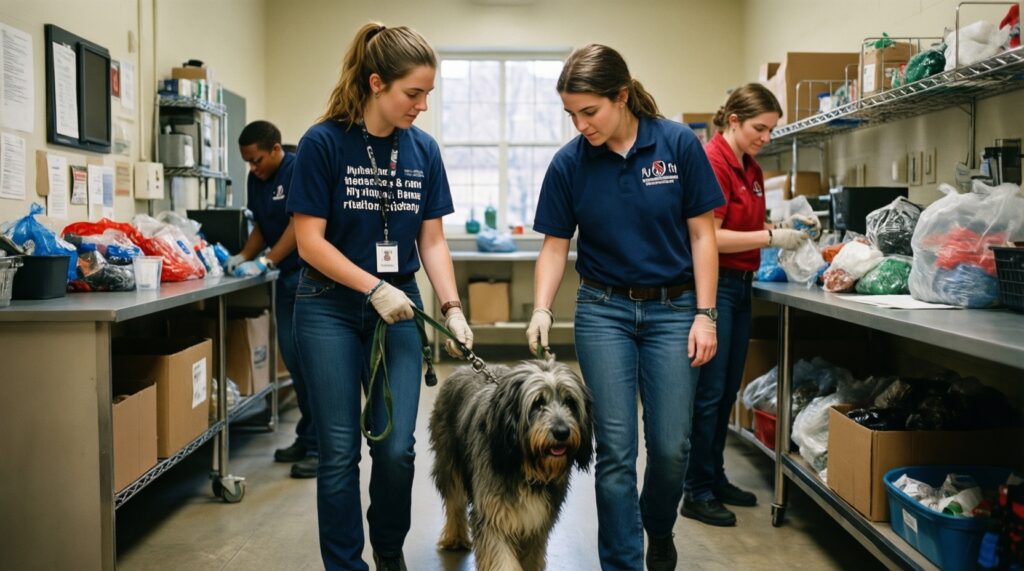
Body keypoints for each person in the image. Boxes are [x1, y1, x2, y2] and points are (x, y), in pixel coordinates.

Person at [527, 44, 723, 571]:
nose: (580, 123)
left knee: (671, 447)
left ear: (621, 95)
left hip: (674, 310)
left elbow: (703, 235)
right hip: (603, 312)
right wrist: (542, 308)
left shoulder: (678, 144)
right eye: (571, 114)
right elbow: (553, 245)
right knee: (614, 451)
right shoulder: (569, 164)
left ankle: (658, 527)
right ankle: (622, 562)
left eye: (589, 111)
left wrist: (706, 314)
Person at [286, 22, 471, 571]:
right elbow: (308, 242)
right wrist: (371, 285)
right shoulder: (324, 143)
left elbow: (431, 240)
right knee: (340, 451)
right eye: (413, 94)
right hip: (328, 307)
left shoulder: (423, 150)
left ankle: (388, 551)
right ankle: (346, 564)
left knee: (397, 450)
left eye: (427, 95)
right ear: (375, 83)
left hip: (401, 308)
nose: (422, 106)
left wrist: (453, 308)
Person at [680, 83, 817, 527]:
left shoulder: (751, 169)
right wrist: (771, 237)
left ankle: (714, 478)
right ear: (733, 121)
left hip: (742, 286)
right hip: (714, 287)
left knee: (724, 396)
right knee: (708, 394)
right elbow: (709, 237)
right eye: (760, 127)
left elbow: (747, 224)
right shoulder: (713, 162)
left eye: (771, 130)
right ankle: (695, 491)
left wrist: (782, 225)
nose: (766, 136)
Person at [229, 120, 319, 479]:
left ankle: (321, 448)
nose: (253, 168)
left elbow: (300, 225)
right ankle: (306, 436)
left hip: (310, 279)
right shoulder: (258, 178)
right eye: (248, 162)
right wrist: (242, 257)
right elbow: (263, 227)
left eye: (257, 160)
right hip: (285, 280)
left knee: (313, 367)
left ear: (277, 149)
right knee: (295, 364)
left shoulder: (298, 169)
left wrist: (267, 260)